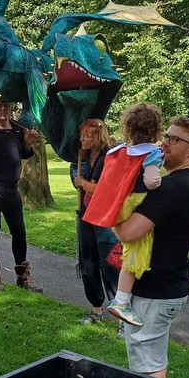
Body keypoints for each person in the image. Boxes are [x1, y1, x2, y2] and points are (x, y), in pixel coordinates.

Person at [113, 116, 189, 378]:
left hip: (154, 293)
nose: (165, 143)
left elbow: (128, 234)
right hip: (168, 286)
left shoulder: (171, 188)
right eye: (166, 136)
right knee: (151, 362)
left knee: (148, 370)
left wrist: (113, 219)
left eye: (175, 140)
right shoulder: (185, 181)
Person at [83, 103, 163, 327]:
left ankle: (122, 299)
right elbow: (151, 181)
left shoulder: (118, 151)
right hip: (136, 205)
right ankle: (122, 300)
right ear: (156, 129)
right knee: (135, 255)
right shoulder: (152, 153)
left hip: (115, 209)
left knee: (127, 252)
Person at [0, 99, 42, 292]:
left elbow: (22, 153)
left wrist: (28, 143)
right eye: (0, 107)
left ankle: (22, 277)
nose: (5, 109)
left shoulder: (16, 129)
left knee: (19, 232)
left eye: (6, 106)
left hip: (12, 189)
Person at [70, 119, 121, 325]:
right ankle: (96, 310)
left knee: (111, 264)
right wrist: (82, 182)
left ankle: (121, 320)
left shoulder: (112, 155)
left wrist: (86, 184)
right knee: (88, 262)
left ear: (98, 136)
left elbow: (109, 190)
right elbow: (76, 179)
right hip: (86, 215)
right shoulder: (81, 156)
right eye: (81, 134)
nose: (82, 138)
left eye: (87, 135)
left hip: (106, 218)